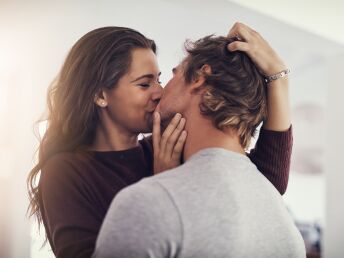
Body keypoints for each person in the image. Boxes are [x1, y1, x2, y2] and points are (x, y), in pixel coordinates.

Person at [27, 23, 293, 258]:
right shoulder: (65, 172)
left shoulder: (166, 141)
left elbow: (263, 182)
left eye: (160, 79)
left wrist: (278, 79)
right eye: (144, 84)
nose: (159, 92)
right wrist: (164, 182)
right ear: (100, 95)